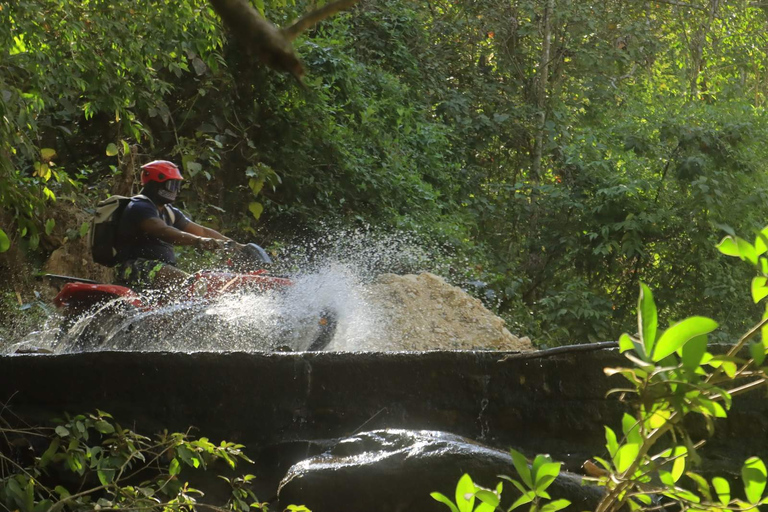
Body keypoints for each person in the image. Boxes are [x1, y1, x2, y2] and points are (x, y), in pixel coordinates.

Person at [114, 160, 240, 292]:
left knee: (206, 284)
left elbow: (201, 231)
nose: (176, 190)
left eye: (177, 185)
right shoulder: (139, 206)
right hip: (134, 267)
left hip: (158, 268)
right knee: (194, 286)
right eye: (172, 185)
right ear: (155, 184)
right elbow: (163, 231)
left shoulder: (169, 211)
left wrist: (236, 246)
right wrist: (199, 241)